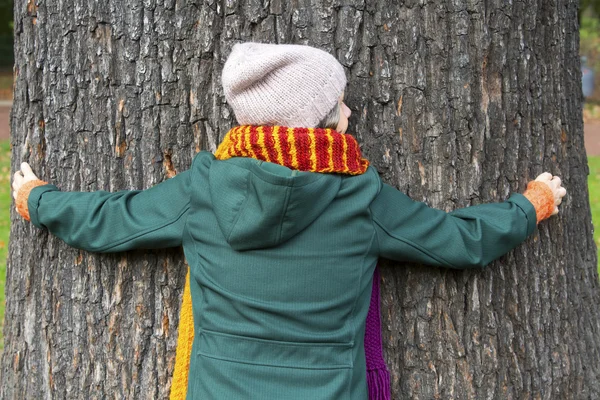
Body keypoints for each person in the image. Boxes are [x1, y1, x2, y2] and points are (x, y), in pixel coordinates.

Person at [12, 43, 566, 399]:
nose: (349, 113)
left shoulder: (204, 188)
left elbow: (117, 221)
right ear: (320, 120)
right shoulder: (359, 196)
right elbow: (456, 241)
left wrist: (39, 200)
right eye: (340, 104)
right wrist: (529, 204)